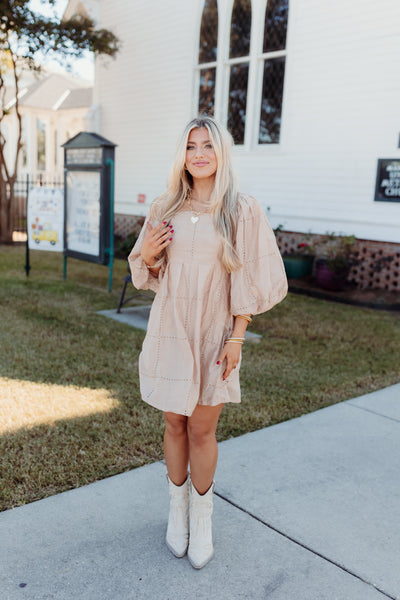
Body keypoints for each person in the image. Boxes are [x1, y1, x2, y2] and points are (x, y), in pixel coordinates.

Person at [128, 116, 287, 569]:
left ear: (222, 154)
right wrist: (153, 254)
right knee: (174, 425)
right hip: (170, 328)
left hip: (216, 333)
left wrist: (238, 336)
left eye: (208, 146)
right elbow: (145, 273)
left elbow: (251, 278)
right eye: (191, 146)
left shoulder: (241, 209)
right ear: (183, 154)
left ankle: (203, 517)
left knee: (202, 429)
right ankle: (177, 514)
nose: (199, 154)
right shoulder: (164, 206)